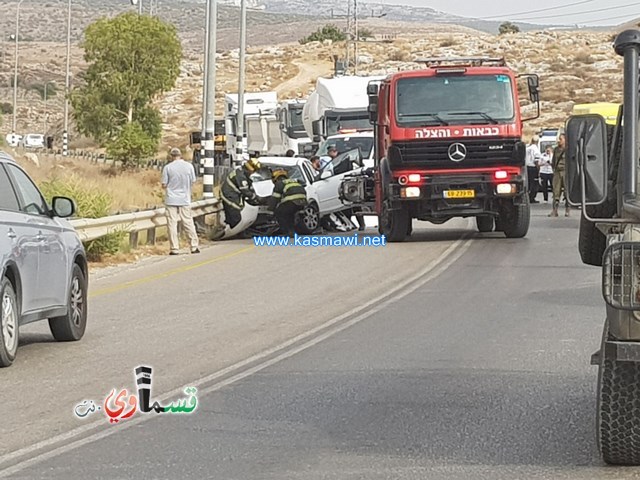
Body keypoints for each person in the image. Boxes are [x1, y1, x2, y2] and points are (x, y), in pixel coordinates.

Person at [161, 147, 200, 255]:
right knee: (188, 222)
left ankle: (174, 248)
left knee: (172, 224)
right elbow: (193, 181)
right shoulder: (189, 166)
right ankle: (193, 246)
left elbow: (164, 184)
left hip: (171, 199)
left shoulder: (167, 168)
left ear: (171, 156)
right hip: (184, 198)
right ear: (180, 155)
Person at [219, 158, 263, 230]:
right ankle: (225, 232)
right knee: (236, 219)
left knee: (232, 217)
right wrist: (255, 197)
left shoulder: (242, 172)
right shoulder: (241, 176)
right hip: (229, 197)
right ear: (250, 169)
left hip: (231, 195)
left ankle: (227, 228)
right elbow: (245, 191)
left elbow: (249, 186)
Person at [268, 168, 308, 237]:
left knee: (280, 213)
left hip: (292, 202)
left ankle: (286, 231)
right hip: (303, 202)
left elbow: (275, 199)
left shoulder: (279, 183)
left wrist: (270, 211)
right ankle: (293, 230)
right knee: (290, 214)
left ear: (276, 178)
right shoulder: (294, 181)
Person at [549, 133, 569, 217]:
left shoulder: (569, 149)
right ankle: (554, 211)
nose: (559, 141)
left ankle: (567, 210)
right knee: (555, 192)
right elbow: (553, 161)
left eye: (560, 139)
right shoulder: (556, 149)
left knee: (567, 192)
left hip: (566, 172)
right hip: (557, 172)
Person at [525, 135, 541, 203]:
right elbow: (536, 161)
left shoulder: (527, 148)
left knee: (529, 183)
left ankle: (528, 196)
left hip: (527, 167)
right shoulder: (536, 149)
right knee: (535, 183)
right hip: (533, 168)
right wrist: (538, 169)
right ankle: (532, 197)